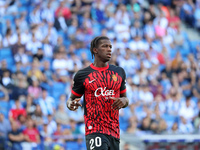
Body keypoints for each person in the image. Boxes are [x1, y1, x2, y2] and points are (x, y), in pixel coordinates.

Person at [67, 36, 129, 150]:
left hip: (114, 131)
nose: (109, 49)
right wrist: (71, 104)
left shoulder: (119, 72)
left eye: (110, 47)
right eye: (105, 46)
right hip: (94, 129)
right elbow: (71, 99)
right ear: (95, 50)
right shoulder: (83, 75)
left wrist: (123, 101)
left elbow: (125, 99)